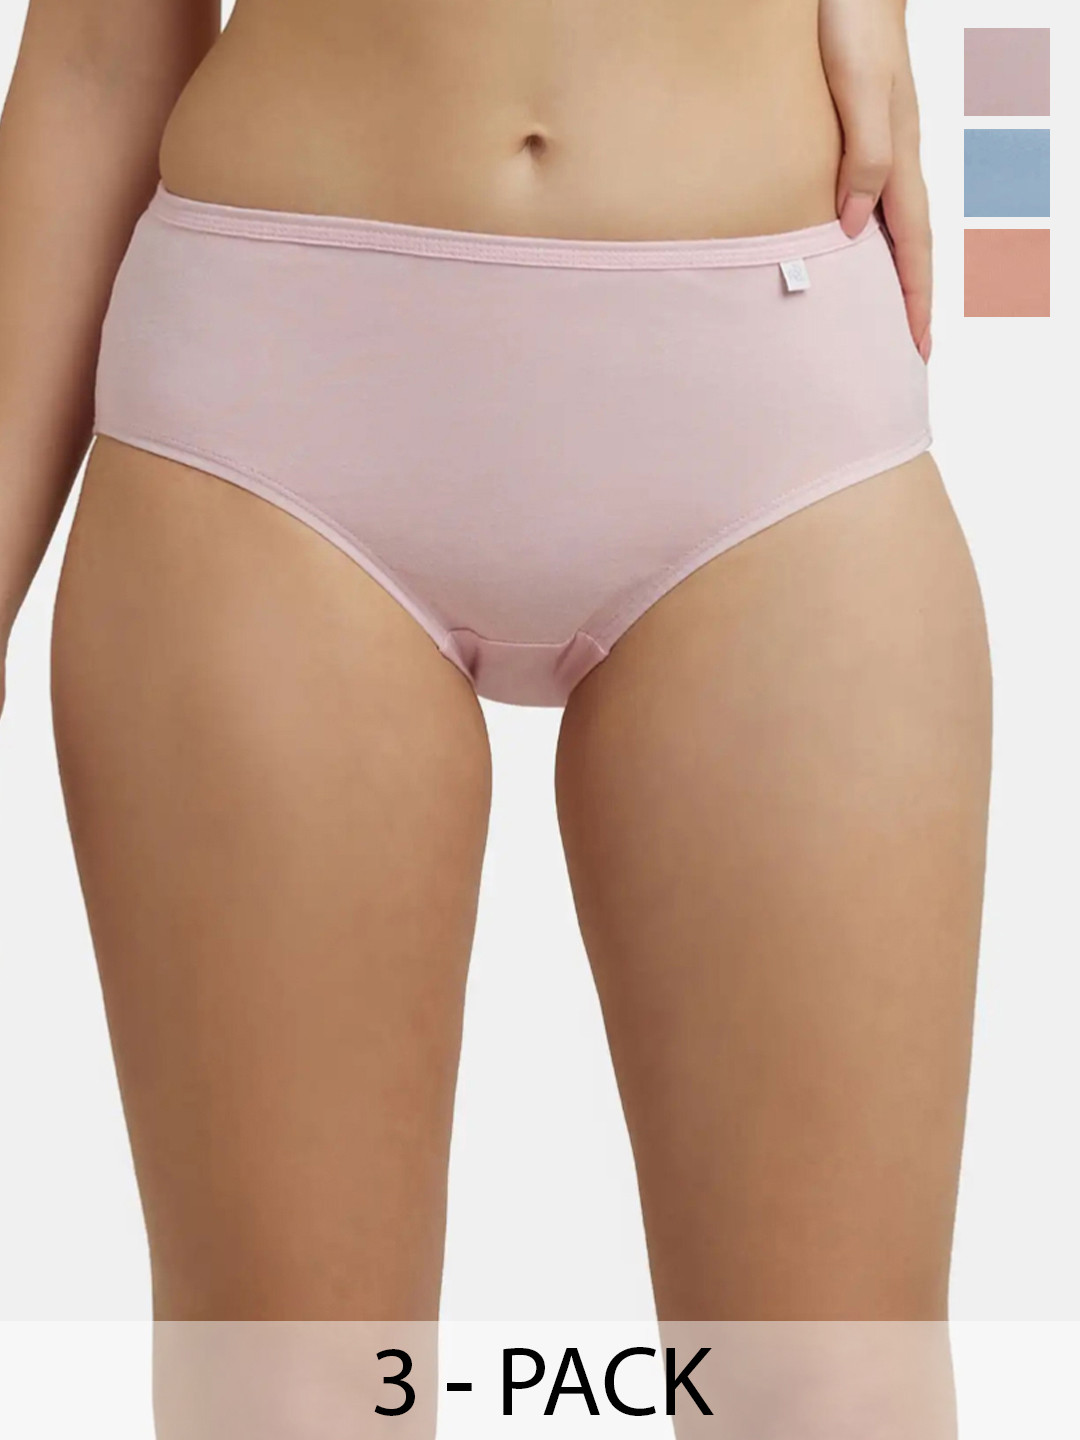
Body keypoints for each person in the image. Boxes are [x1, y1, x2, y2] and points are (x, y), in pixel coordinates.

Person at [0, 1, 990, 1435]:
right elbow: (100, 51)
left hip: (774, 386)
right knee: (287, 1398)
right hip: (269, 397)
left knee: (833, 1390)